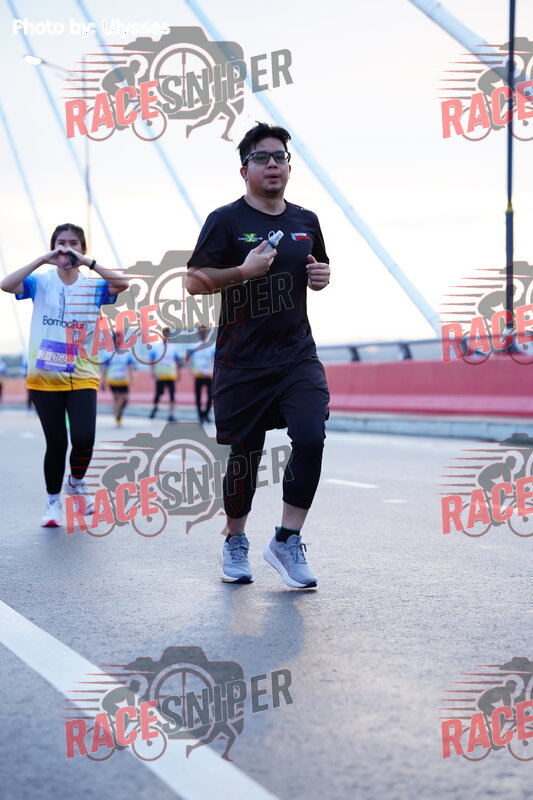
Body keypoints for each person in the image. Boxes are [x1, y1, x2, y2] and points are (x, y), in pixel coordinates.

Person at [186, 122, 331, 589]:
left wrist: (321, 278)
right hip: (242, 360)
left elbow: (317, 269)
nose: (273, 164)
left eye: (280, 157)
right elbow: (193, 282)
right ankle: (235, 540)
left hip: (296, 355)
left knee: (310, 437)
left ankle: (287, 540)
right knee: (245, 457)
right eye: (262, 157)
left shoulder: (306, 221)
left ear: (289, 167)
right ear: (244, 169)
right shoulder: (226, 220)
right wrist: (242, 271)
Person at [0, 223, 128, 527]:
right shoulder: (40, 282)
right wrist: (42, 259)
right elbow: (6, 284)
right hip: (44, 376)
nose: (66, 249)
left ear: (83, 249)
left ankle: (76, 482)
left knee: (84, 437)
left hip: (83, 373)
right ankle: (53, 503)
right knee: (56, 442)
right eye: (60, 243)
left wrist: (88, 263)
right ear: (52, 247)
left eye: (73, 243)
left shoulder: (92, 287)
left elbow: (122, 284)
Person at [149, 327, 183, 422]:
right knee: (158, 394)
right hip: (160, 375)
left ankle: (171, 414)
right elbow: (152, 360)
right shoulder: (156, 348)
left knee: (172, 395)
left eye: (168, 334)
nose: (166, 336)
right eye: (164, 334)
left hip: (170, 375)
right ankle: (154, 408)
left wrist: (178, 374)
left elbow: (177, 362)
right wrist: (152, 372)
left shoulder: (173, 348)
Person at [101, 332, 135, 425]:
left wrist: (131, 378)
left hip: (123, 380)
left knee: (125, 400)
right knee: (119, 398)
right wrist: (102, 382)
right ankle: (117, 416)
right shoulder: (109, 353)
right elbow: (105, 369)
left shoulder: (126, 353)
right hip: (113, 380)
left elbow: (130, 367)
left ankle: (118, 411)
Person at [186, 326, 215, 423]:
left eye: (204, 331)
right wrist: (191, 372)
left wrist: (213, 372)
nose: (202, 333)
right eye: (200, 331)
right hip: (198, 375)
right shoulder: (193, 346)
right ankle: (200, 415)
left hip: (208, 376)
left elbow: (215, 360)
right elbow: (187, 360)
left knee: (210, 396)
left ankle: (206, 414)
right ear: (198, 332)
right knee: (198, 396)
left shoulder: (211, 346)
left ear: (206, 332)